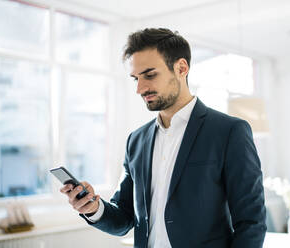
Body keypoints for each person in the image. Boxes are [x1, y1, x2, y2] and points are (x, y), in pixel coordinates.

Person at [60, 28, 266, 248]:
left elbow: (251, 221)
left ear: (181, 68)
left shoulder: (229, 132)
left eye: (150, 75)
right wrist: (93, 208)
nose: (140, 88)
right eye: (135, 78)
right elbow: (126, 218)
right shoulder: (136, 141)